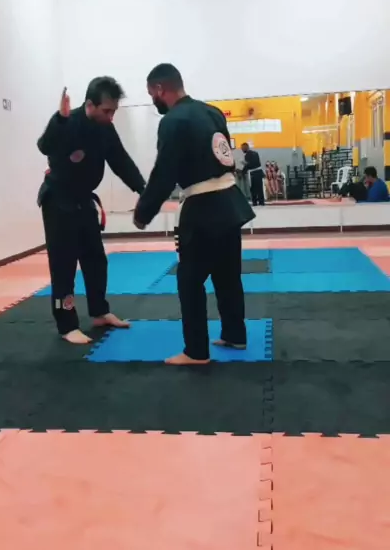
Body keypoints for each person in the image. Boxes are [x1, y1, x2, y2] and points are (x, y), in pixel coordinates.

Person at [133, 64, 255, 366]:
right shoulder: (212, 112)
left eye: (151, 94)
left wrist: (143, 211)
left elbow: (165, 172)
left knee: (189, 279)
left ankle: (196, 351)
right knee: (228, 274)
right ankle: (235, 334)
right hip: (230, 203)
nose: (153, 101)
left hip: (202, 208)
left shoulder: (173, 121)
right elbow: (224, 155)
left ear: (160, 89)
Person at [37, 78, 146, 344]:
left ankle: (99, 312)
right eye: (106, 111)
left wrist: (143, 189)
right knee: (63, 264)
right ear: (89, 104)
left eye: (114, 111)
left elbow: (120, 160)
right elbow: (44, 146)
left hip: (83, 201)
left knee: (95, 259)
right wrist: (59, 119)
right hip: (58, 201)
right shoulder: (67, 122)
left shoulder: (106, 129)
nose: (111, 117)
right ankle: (67, 325)